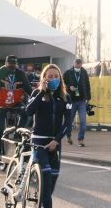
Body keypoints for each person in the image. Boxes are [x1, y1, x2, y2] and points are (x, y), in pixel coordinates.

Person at [26, 64, 72, 208]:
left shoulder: (65, 97)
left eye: (56, 76)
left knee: (50, 185)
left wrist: (56, 140)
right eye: (50, 76)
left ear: (60, 79)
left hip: (55, 144)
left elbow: (68, 123)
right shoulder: (36, 94)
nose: (53, 79)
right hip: (39, 142)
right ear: (44, 78)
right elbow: (29, 111)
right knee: (45, 178)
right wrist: (41, 92)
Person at [0, 55, 32, 165]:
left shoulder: (21, 73)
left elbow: (28, 89)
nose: (12, 69)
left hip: (15, 102)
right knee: (0, 128)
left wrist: (36, 99)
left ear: (17, 65)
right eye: (9, 66)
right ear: (5, 64)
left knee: (26, 114)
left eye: (14, 66)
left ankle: (18, 133)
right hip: (0, 103)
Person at [63, 58, 91, 147]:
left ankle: (80, 139)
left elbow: (87, 85)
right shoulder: (67, 73)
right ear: (74, 63)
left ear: (81, 64)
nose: (78, 65)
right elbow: (62, 84)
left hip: (82, 100)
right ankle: (68, 137)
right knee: (69, 121)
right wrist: (68, 87)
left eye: (79, 63)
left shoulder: (84, 72)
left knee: (83, 121)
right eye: (76, 63)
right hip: (71, 100)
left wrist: (88, 97)